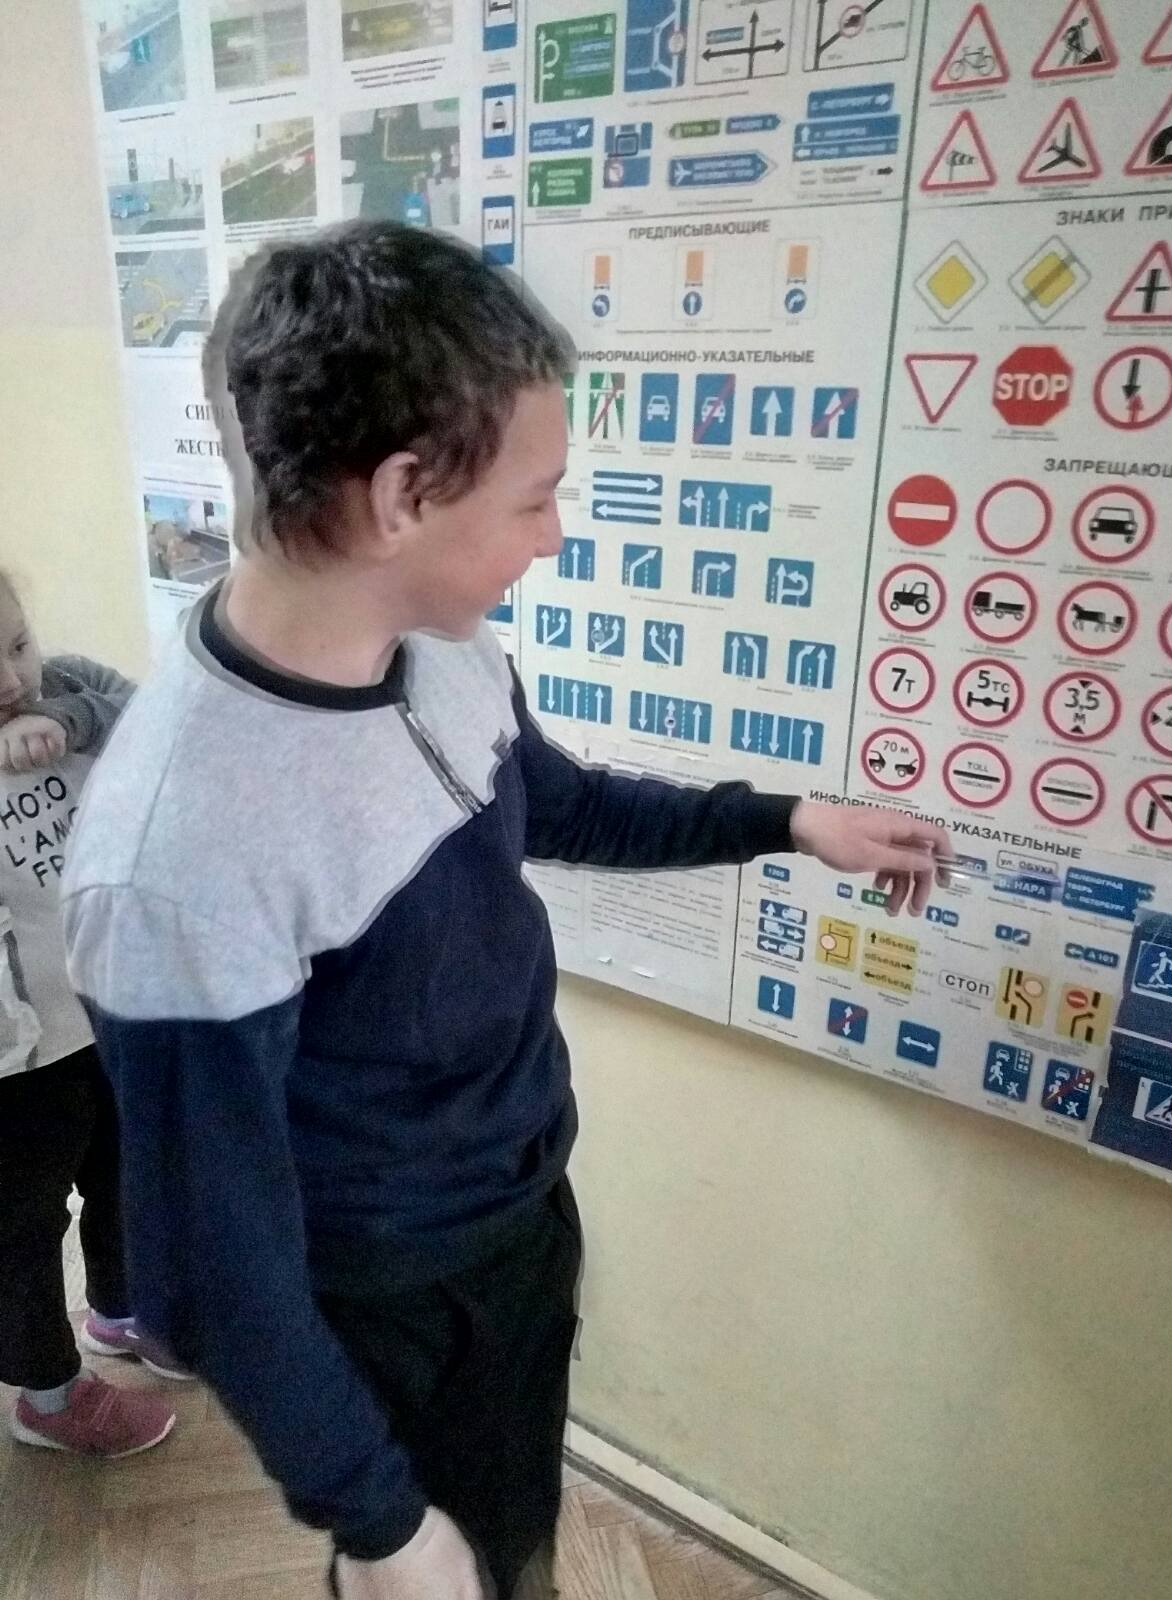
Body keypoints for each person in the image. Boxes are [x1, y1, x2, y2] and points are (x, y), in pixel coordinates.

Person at [62, 221, 951, 1599]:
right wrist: (380, 1525)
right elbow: (212, 1267)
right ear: (404, 494)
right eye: (537, 499)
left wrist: (781, 821)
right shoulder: (180, 849)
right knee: (456, 1566)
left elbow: (560, 804)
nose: (556, 531)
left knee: (515, 1532)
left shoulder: (446, 653)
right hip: (386, 1295)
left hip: (516, 1213)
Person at [0, 574, 188, 1461]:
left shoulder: (65, 684)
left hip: (105, 1010)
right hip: (15, 1061)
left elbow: (156, 721)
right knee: (23, 1226)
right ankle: (48, 1395)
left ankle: (123, 1310)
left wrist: (69, 719)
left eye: (16, 646)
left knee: (126, 1171)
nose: (11, 679)